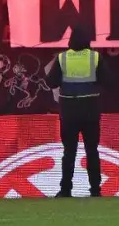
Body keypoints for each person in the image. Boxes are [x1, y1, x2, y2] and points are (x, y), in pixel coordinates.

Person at [44, 24, 112, 197]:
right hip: (90, 109)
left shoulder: (63, 58)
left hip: (69, 110)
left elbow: (51, 82)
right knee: (92, 151)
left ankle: (66, 190)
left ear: (71, 40)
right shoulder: (95, 57)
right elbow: (108, 80)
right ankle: (95, 190)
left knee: (69, 152)